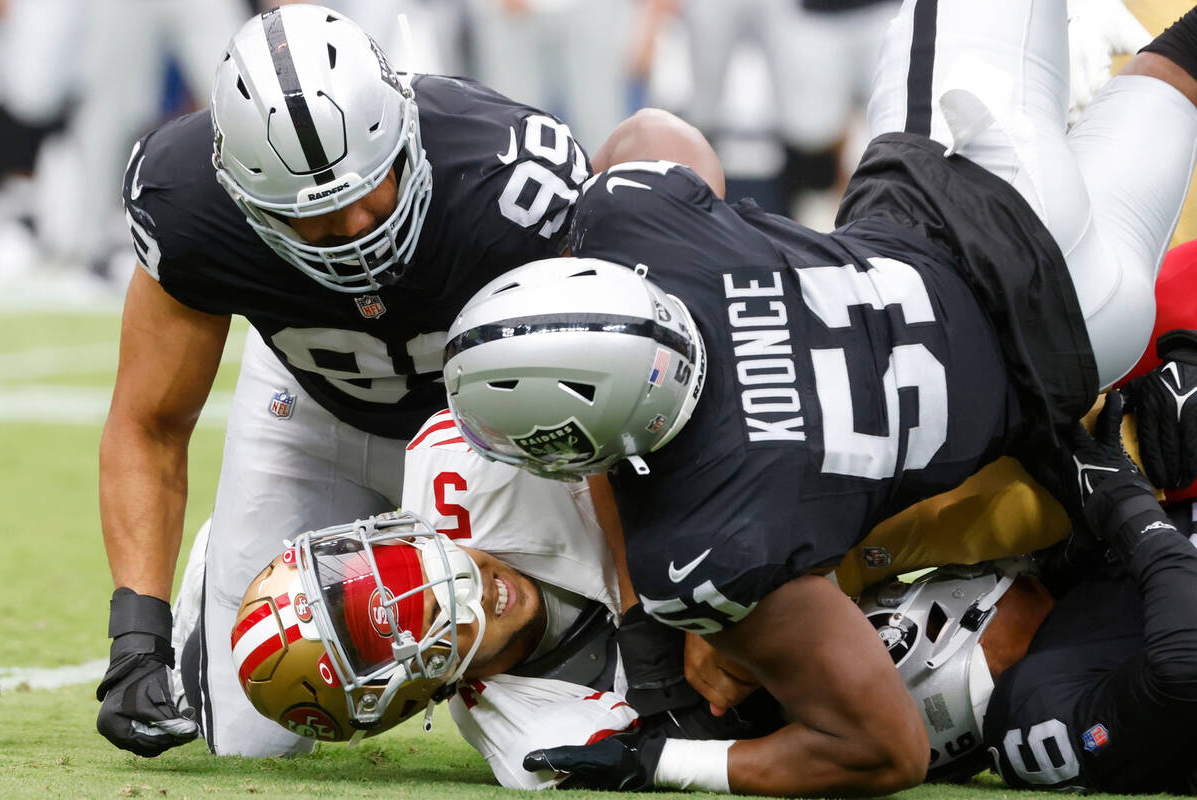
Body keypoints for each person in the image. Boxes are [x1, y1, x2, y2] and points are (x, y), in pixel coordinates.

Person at [441, 2, 1197, 795]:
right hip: (974, 175)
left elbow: (886, 750)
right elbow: (653, 136)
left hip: (1084, 332)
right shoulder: (641, 229)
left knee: (1175, 68)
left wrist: (662, 755)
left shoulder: (709, 547)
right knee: (1164, 62)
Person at [95, 3, 717, 760]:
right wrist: (137, 635)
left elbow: (613, 412)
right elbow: (150, 423)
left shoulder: (508, 182)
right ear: (244, 198)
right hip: (312, 414)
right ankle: (218, 583)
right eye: (314, 218)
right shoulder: (188, 203)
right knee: (257, 743)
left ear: (402, 133)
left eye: (371, 187)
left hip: (500, 432)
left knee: (609, 678)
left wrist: (650, 643)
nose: (357, 226)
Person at [226, 409, 780, 790]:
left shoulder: (462, 461)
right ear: (422, 693)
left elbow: (626, 411)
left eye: (413, 567)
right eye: (440, 625)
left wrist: (661, 620)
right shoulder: (539, 741)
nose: (470, 583)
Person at [862, 392, 1197, 793]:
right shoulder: (1028, 713)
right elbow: (1183, 669)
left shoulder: (1067, 594)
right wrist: (1128, 507)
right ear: (941, 681)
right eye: (936, 613)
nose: (956, 577)